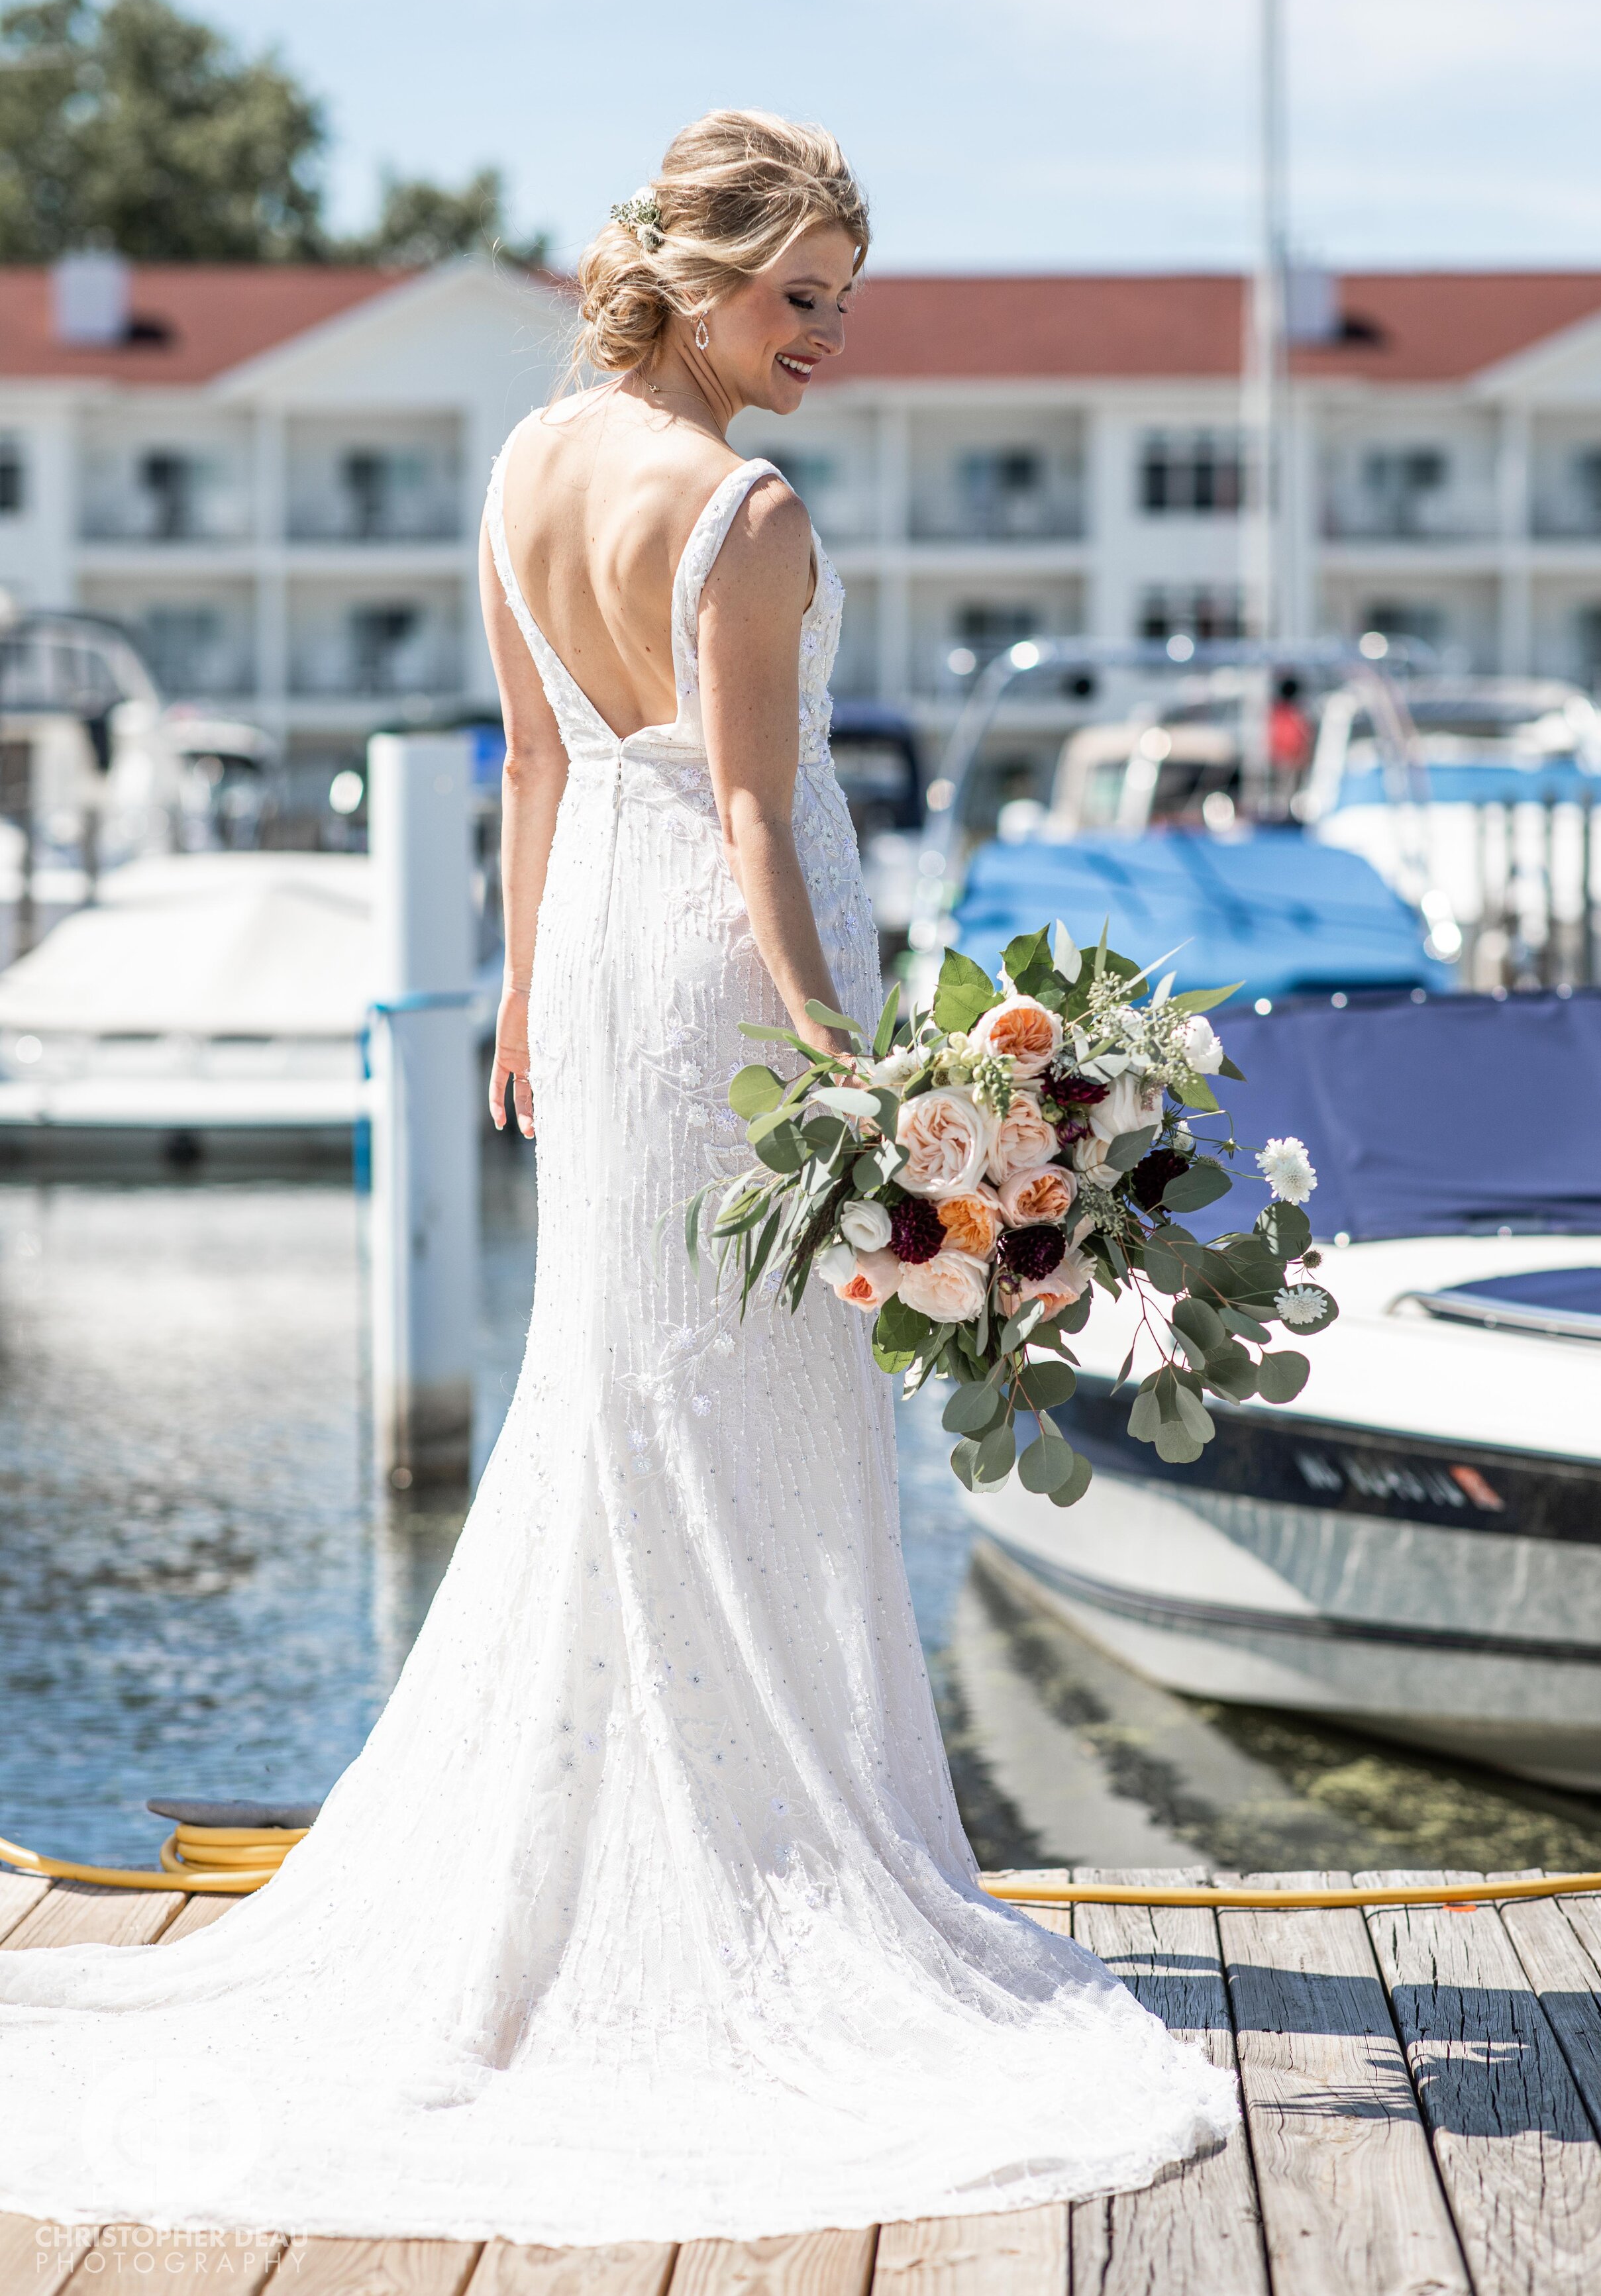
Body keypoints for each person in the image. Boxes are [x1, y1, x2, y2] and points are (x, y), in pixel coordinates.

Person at [0, 113, 1233, 2244]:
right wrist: (851, 1064)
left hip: (593, 973)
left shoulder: (523, 463)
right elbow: (757, 818)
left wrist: (505, 998)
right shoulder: (741, 512)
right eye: (796, 294)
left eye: (843, 298)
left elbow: (543, 761)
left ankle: (655, 1856)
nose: (824, 334)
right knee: (737, 1408)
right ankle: (758, 1875)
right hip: (730, 994)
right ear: (688, 273)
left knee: (625, 1395)